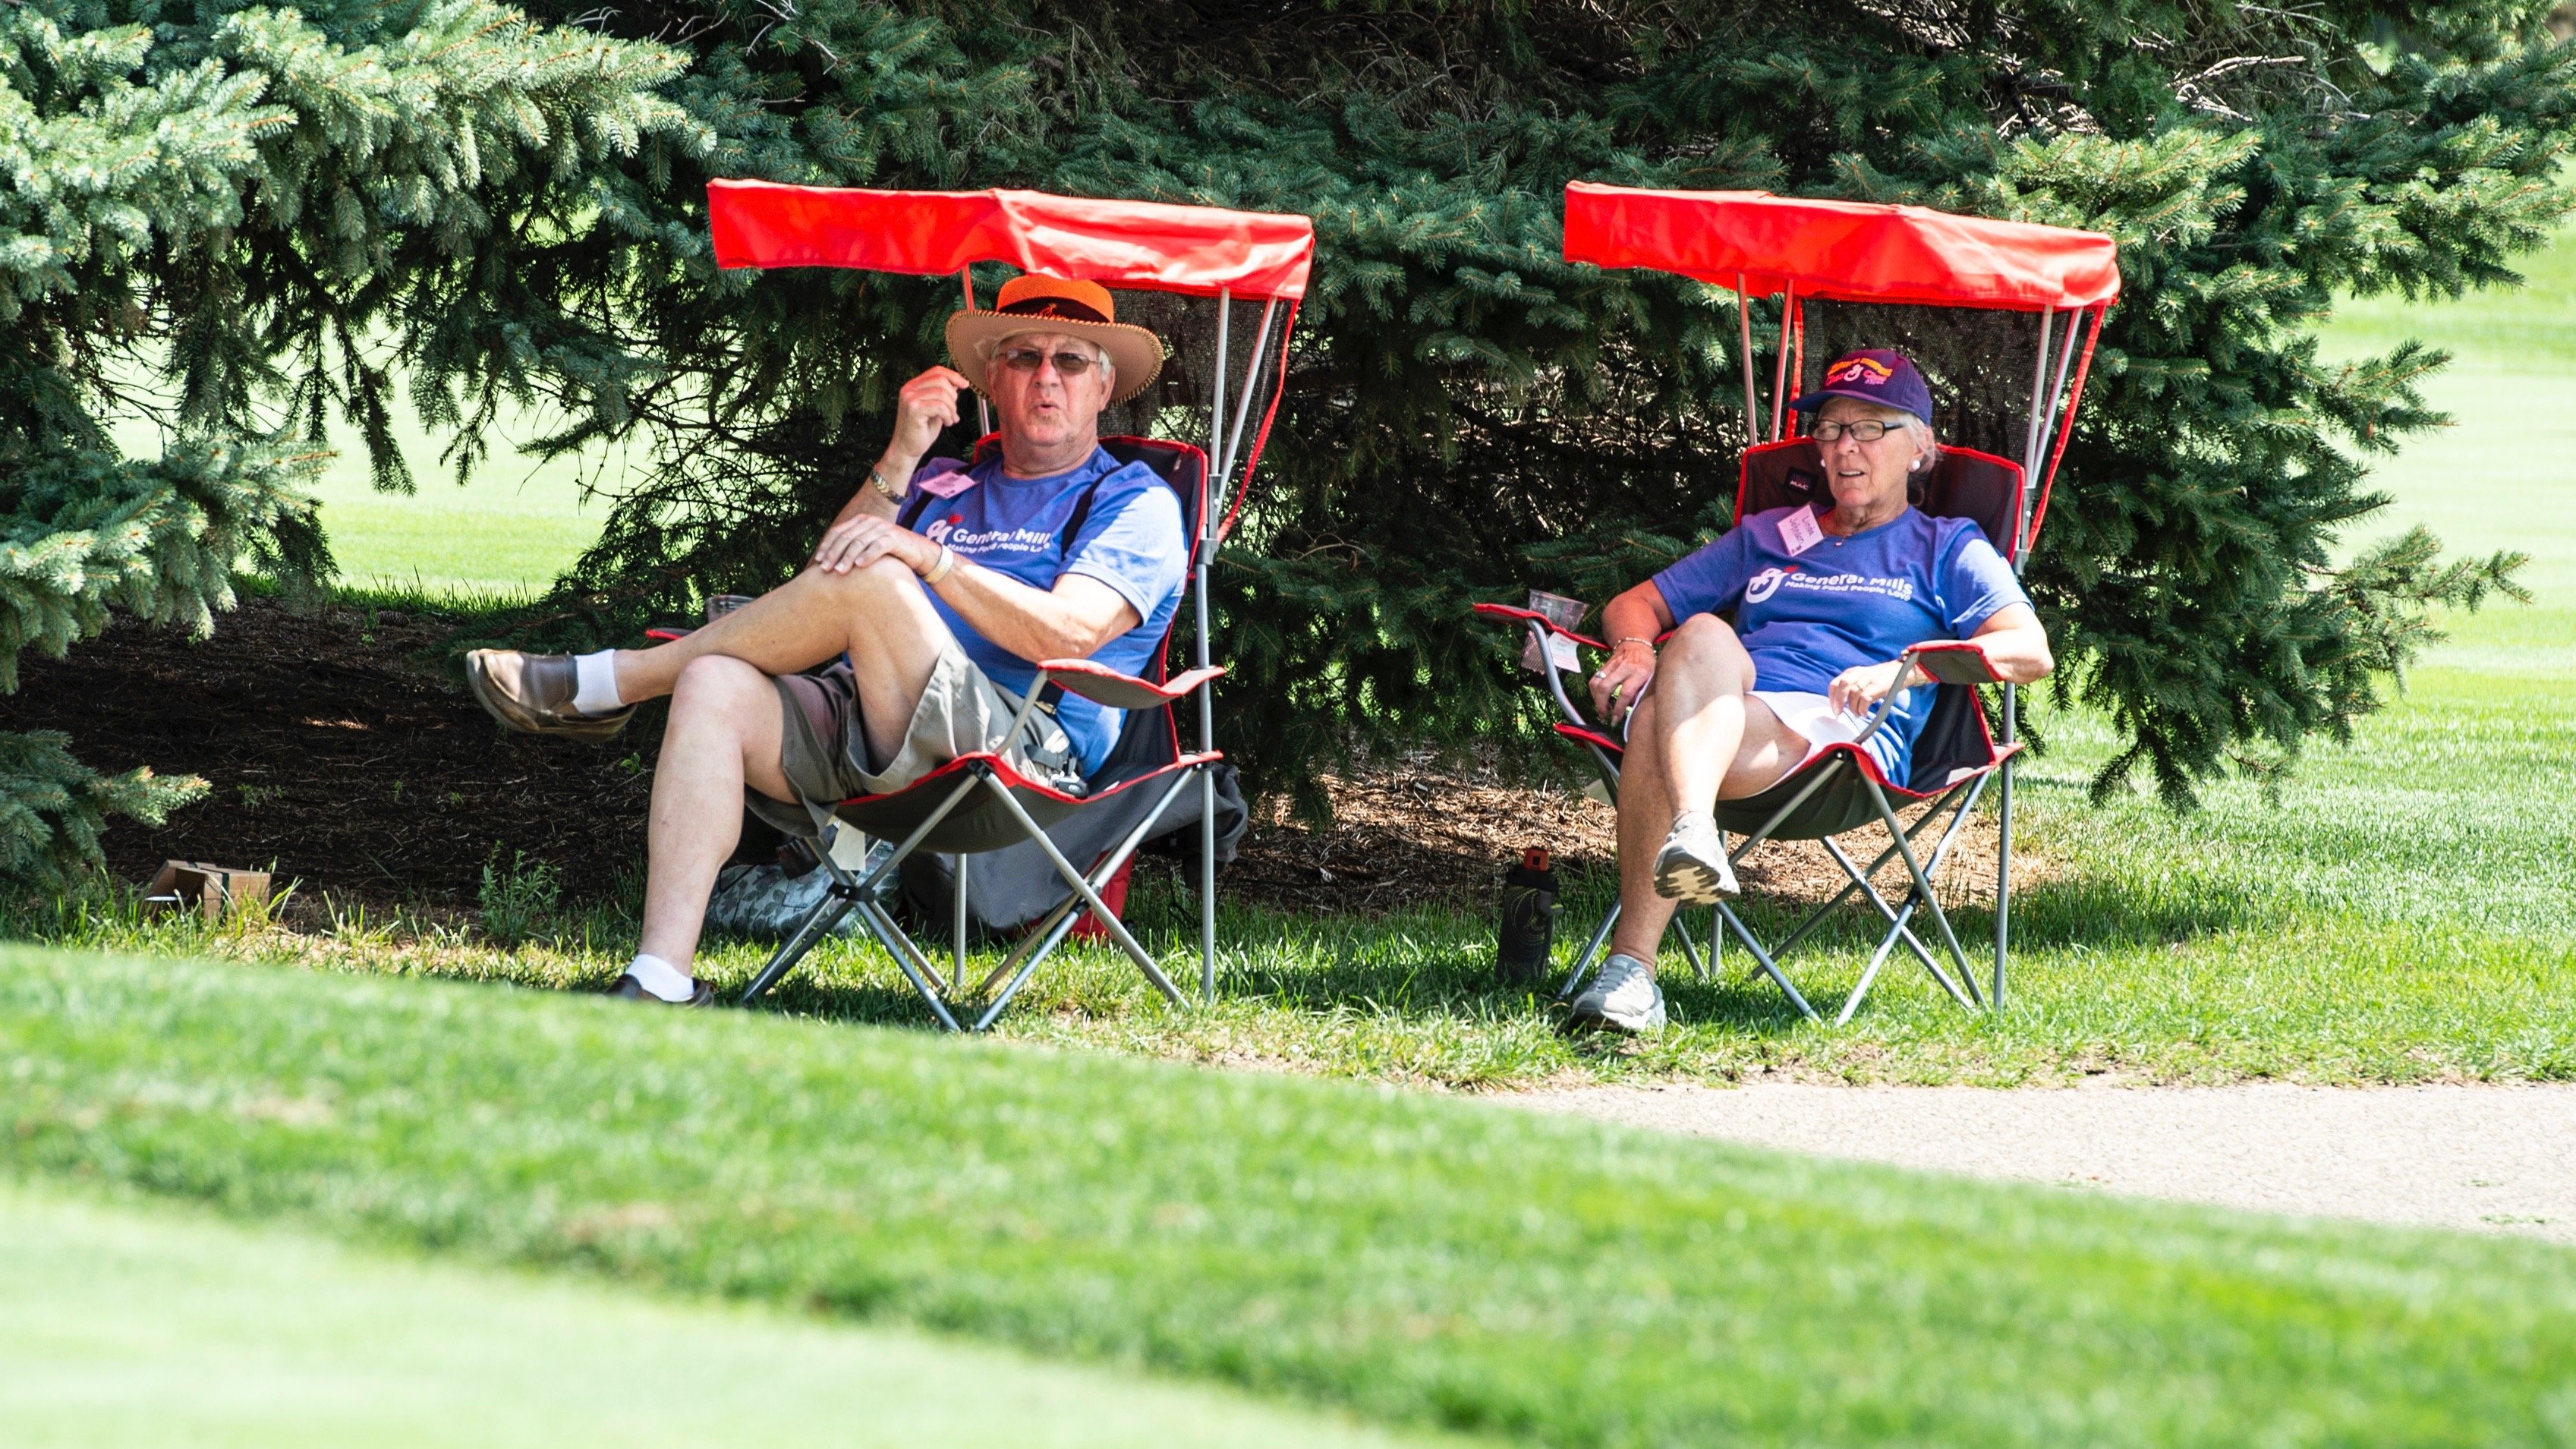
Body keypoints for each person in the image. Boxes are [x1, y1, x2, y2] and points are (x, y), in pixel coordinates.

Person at [463, 275, 1187, 1006]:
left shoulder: (1132, 500)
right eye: (1025, 357)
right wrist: (902, 458)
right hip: (871, 721)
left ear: (1103, 388)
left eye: (1070, 361)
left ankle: (616, 682)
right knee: (713, 680)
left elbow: (1070, 629)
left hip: (1019, 755)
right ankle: (660, 978)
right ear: (991, 380)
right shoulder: (945, 481)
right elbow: (820, 587)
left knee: (877, 575)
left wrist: (926, 558)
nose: (1045, 378)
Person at [1570, 348, 2055, 1033]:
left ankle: (1632, 970)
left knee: (1654, 721)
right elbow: (1636, 604)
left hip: (1835, 744)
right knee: (1701, 631)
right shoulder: (1771, 535)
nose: (1844, 447)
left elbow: (2029, 651)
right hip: (1726, 716)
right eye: (1829, 429)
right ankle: (1691, 834)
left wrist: (1904, 671)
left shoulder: (1947, 546)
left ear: (1920, 446)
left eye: (1868, 428)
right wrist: (1633, 646)